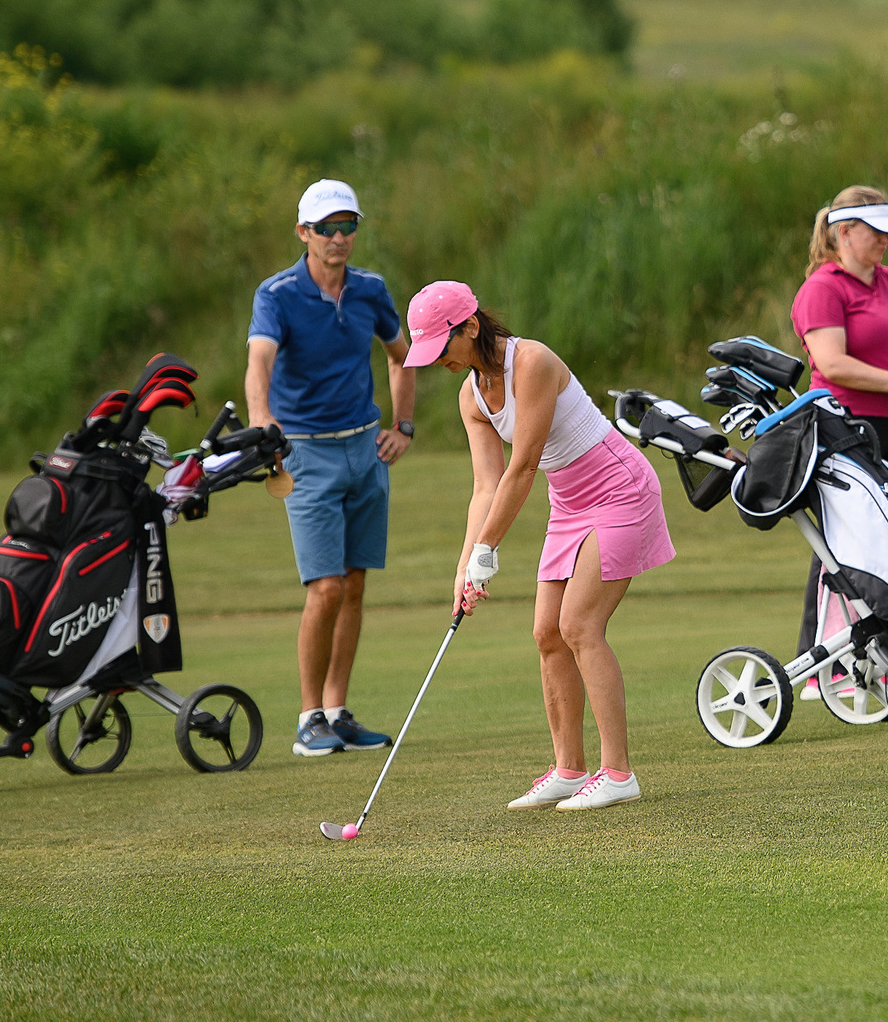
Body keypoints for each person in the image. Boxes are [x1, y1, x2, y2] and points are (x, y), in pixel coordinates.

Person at [407, 281, 673, 812]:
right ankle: (570, 770)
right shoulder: (471, 396)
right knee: (547, 633)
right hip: (569, 504)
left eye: (442, 346)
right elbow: (486, 486)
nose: (438, 360)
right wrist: (465, 566)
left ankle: (618, 773)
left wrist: (488, 550)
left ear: (471, 326)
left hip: (619, 489)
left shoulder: (532, 363)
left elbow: (523, 466)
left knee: (579, 626)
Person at [246, 180, 416, 756]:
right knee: (325, 587)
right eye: (326, 228)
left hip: (366, 448)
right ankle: (308, 719)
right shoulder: (277, 294)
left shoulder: (370, 289)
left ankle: (338, 712)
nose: (338, 238)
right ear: (304, 232)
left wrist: (404, 425)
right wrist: (262, 423)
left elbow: (401, 356)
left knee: (354, 583)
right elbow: (260, 362)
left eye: (347, 226)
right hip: (305, 454)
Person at [789, 185, 888, 682]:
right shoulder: (823, 288)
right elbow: (833, 364)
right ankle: (827, 665)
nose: (886, 240)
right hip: (846, 427)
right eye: (876, 231)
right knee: (845, 545)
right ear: (844, 233)